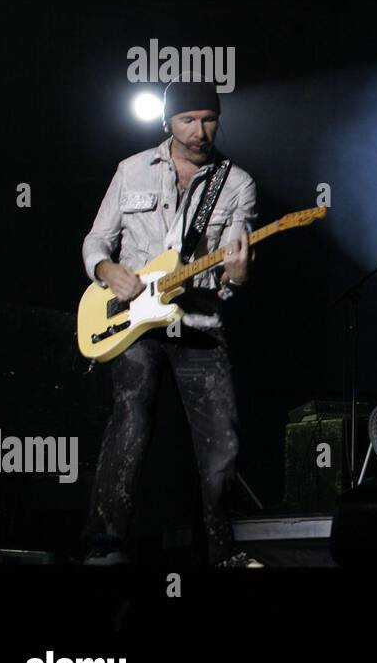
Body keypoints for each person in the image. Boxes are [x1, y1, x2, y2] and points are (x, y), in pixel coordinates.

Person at [80, 79, 261, 567]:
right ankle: (105, 542)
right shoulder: (131, 169)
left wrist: (237, 278)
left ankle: (223, 552)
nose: (199, 131)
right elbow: (96, 240)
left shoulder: (237, 182)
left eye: (209, 120)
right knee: (128, 421)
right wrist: (106, 270)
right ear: (167, 122)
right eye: (187, 120)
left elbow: (232, 270)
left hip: (199, 319)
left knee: (220, 440)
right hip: (133, 320)